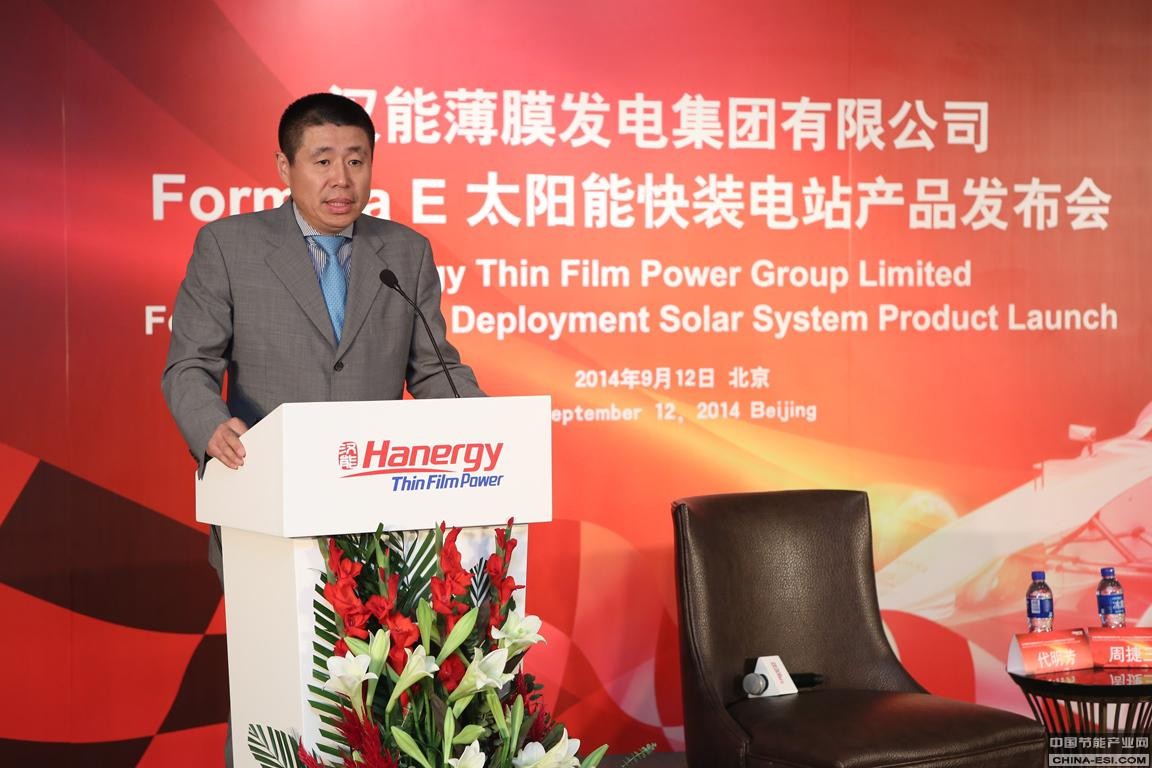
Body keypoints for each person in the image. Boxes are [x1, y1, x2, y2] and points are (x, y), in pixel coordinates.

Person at [161, 92, 482, 765]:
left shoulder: (405, 251)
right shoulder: (230, 246)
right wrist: (211, 426)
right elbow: (189, 366)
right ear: (284, 167)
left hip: (382, 514)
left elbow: (433, 367)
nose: (342, 179)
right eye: (323, 160)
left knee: (384, 693)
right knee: (277, 686)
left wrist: (489, 427)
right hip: (267, 505)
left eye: (357, 160)